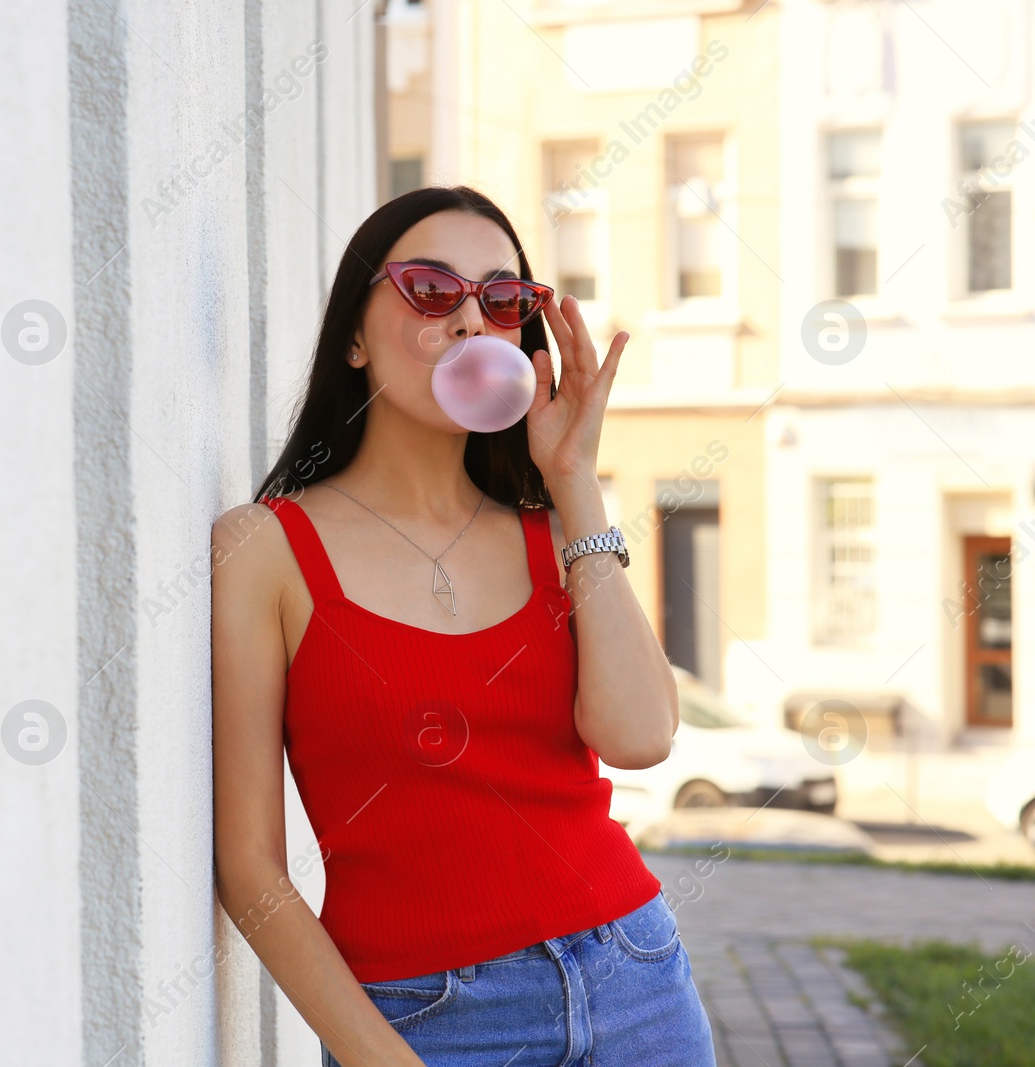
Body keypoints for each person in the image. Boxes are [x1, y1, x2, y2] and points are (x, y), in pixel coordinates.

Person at [210, 185, 717, 1066]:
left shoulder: (557, 533)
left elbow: (640, 737)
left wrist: (575, 481)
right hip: (426, 1019)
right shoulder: (264, 550)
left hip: (634, 978)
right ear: (356, 338)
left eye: (504, 298)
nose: (472, 319)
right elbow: (250, 868)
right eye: (431, 290)